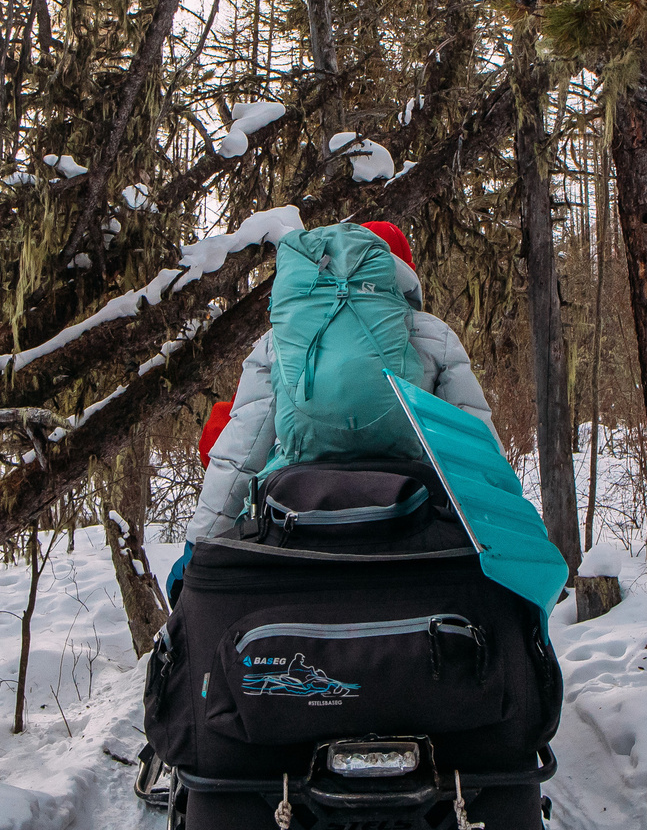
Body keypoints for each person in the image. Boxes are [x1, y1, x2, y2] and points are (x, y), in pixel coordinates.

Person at [166, 221, 492, 597]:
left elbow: (239, 452)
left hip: (297, 518)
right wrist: (504, 539)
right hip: (412, 515)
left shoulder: (281, 339)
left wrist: (199, 547)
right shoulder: (434, 333)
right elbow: (476, 447)